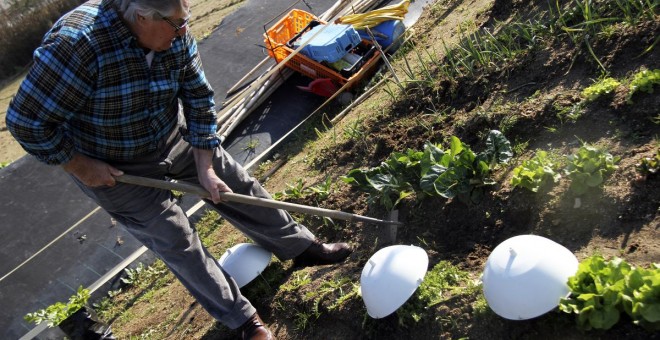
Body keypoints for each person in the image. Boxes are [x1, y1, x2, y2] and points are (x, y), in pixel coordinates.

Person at [6, 0, 352, 339]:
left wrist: (205, 166)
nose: (185, 29)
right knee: (175, 239)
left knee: (234, 184)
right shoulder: (76, 45)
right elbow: (26, 122)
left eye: (185, 18)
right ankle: (245, 321)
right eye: (176, 23)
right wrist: (81, 167)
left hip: (171, 133)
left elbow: (198, 95)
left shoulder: (173, 27)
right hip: (110, 164)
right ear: (142, 17)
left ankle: (302, 248)